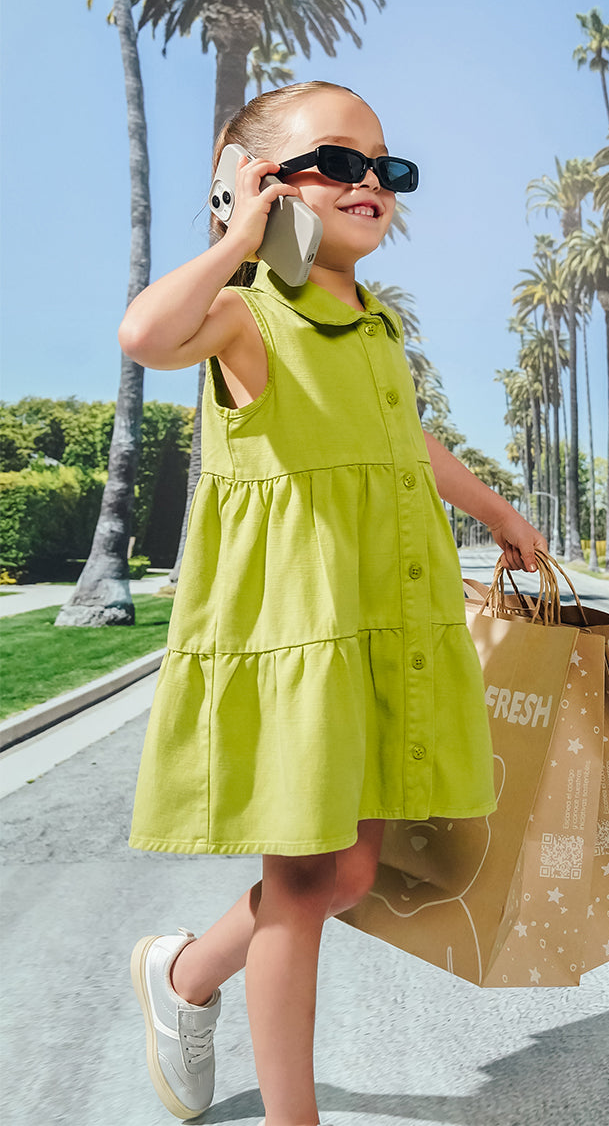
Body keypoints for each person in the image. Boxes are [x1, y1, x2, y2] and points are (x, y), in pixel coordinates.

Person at [119, 80, 547, 1126]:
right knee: (309, 883)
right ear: (258, 181)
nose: (370, 182)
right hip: (295, 631)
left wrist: (499, 513)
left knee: (346, 873)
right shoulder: (242, 314)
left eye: (386, 168)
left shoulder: (376, 329)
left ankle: (181, 976)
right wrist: (237, 232)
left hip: (378, 626)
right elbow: (143, 334)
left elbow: (411, 443)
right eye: (336, 161)